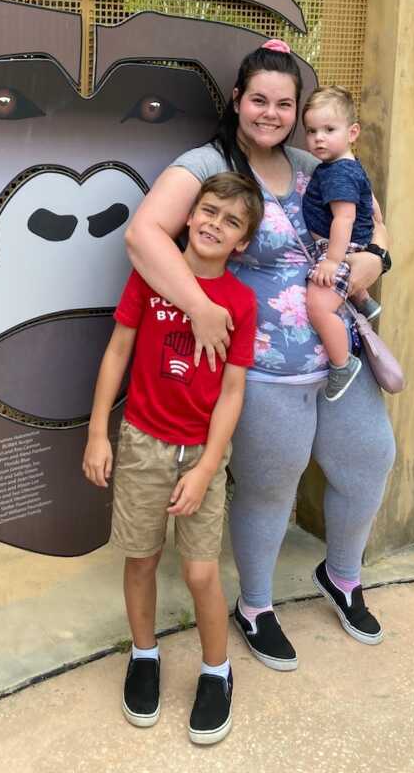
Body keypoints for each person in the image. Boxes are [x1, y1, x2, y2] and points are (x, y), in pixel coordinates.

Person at [124, 40, 396, 670]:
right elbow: (143, 236)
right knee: (271, 486)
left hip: (337, 351)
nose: (270, 114)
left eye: (284, 103)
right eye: (258, 100)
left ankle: (344, 576)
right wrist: (198, 304)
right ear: (238, 102)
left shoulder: (316, 160)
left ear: (298, 110)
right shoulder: (206, 164)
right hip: (262, 365)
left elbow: (375, 228)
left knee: (370, 459)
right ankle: (258, 606)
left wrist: (371, 260)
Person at [83, 172, 262, 746]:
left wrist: (209, 465)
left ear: (242, 243)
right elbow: (117, 352)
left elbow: (233, 391)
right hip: (142, 441)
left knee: (201, 570)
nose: (215, 224)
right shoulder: (150, 280)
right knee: (140, 558)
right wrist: (97, 433)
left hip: (201, 453)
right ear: (188, 216)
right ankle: (143, 656)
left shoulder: (240, 301)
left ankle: (217, 670)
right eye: (209, 211)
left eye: (232, 221)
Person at [302, 85, 381, 403]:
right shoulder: (344, 166)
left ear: (352, 132)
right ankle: (364, 300)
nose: (319, 138)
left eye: (329, 130)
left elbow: (343, 220)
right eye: (311, 131)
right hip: (349, 247)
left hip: (341, 250)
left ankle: (342, 364)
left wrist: (332, 262)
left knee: (318, 308)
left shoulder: (338, 174)